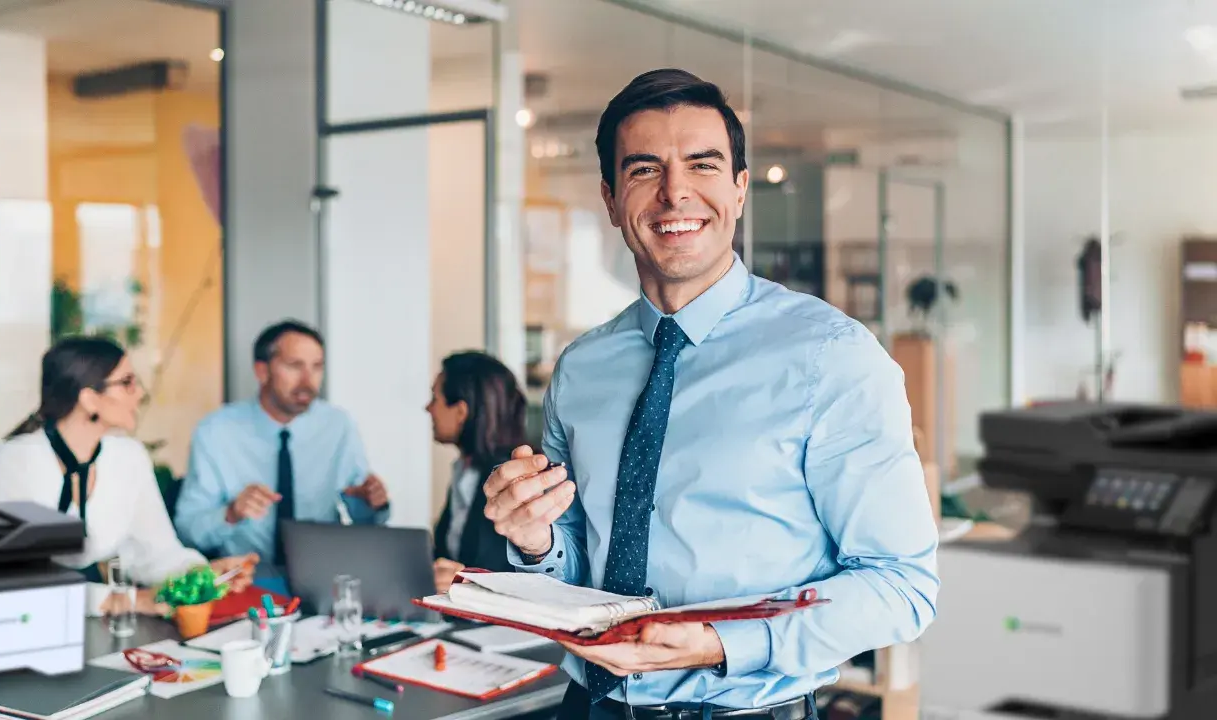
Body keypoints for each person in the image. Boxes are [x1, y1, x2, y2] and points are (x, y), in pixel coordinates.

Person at [483, 69, 939, 720]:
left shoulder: (831, 358)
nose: (676, 193)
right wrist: (535, 543)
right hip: (589, 706)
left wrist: (720, 645)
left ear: (740, 189)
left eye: (702, 164)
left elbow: (903, 586)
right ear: (611, 200)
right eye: (645, 170)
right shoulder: (582, 369)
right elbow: (576, 567)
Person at [0, 336, 256, 617]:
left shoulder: (128, 457)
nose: (140, 393)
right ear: (89, 398)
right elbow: (15, 580)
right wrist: (125, 601)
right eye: (127, 383)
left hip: (96, 620)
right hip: (23, 622)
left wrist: (204, 573)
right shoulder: (13, 462)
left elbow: (155, 552)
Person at [174, 320, 391, 574]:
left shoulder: (338, 426)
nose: (308, 381)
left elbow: (365, 522)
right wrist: (231, 514)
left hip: (321, 574)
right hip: (246, 578)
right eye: (294, 366)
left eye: (317, 367)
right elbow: (188, 530)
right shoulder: (216, 431)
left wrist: (373, 504)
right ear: (262, 371)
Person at [427, 351, 529, 593]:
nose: (428, 408)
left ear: (461, 412)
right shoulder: (464, 472)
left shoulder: (512, 481)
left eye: (435, 398)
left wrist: (470, 583)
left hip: (499, 627)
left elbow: (523, 581)